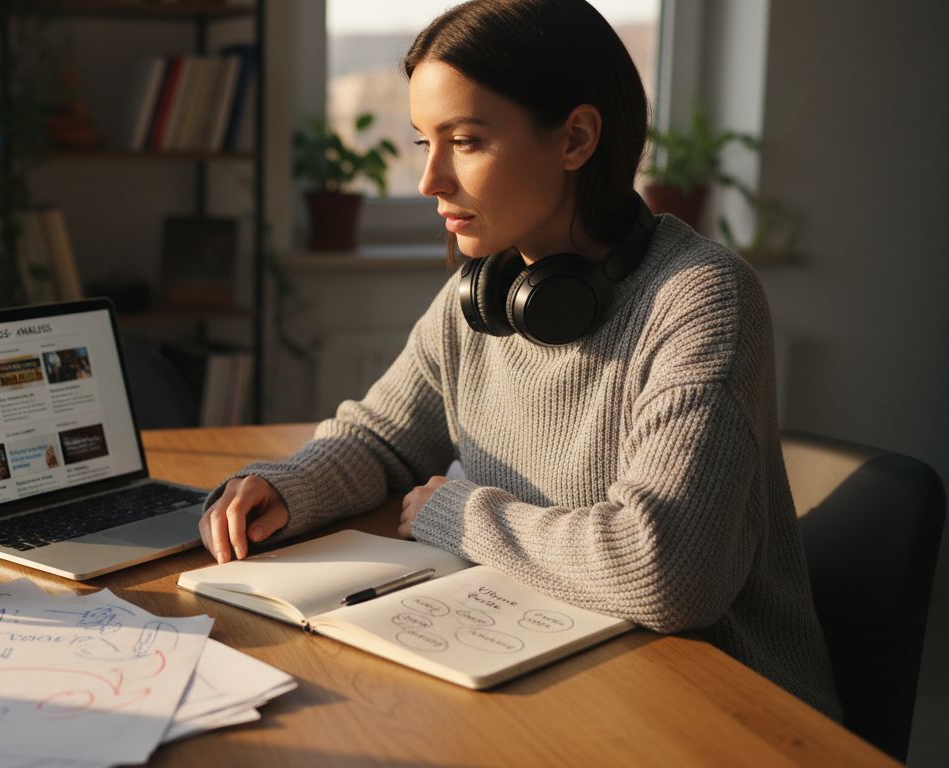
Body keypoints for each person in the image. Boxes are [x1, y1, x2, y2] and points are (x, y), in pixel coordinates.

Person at [198, 0, 841, 719]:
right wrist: (287, 487)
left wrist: (457, 515)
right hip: (552, 660)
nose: (429, 180)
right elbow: (381, 437)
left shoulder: (699, 298)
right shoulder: (484, 293)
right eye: (422, 143)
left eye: (465, 142)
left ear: (575, 138)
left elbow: (666, 571)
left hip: (719, 704)